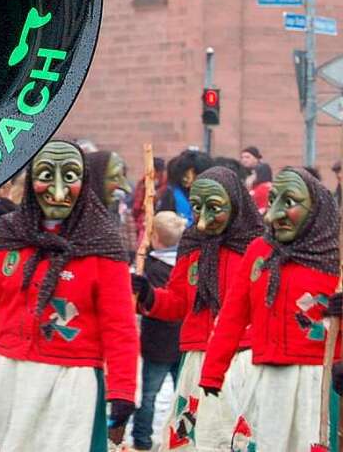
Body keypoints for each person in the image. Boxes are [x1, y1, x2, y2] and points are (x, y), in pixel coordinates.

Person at [0, 140, 139, 452]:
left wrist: (122, 392)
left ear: (85, 182)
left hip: (71, 385)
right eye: (47, 175)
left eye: (71, 176)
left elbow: (120, 328)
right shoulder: (9, 234)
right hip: (7, 378)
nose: (58, 191)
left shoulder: (102, 242)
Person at [199, 167, 340, 450]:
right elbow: (232, 316)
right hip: (266, 379)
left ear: (315, 208)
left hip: (318, 383)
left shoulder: (335, 256)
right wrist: (212, 372)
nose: (272, 214)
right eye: (272, 201)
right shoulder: (258, 253)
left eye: (288, 203)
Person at [133, 165, 263, 451]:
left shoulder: (259, 249)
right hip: (197, 361)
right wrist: (147, 295)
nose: (202, 221)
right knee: (191, 440)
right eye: (196, 207)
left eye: (214, 208)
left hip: (242, 362)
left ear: (235, 202)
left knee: (232, 439)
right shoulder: (192, 246)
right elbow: (179, 302)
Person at [130, 211, 185, 452]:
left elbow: (144, 303)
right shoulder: (184, 264)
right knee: (180, 391)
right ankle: (183, 434)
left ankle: (142, 438)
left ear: (155, 237)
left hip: (157, 344)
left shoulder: (151, 268)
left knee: (149, 395)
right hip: (181, 341)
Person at [157, 150, 214, 226]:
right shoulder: (171, 194)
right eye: (184, 174)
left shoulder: (211, 195)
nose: (186, 178)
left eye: (193, 174)